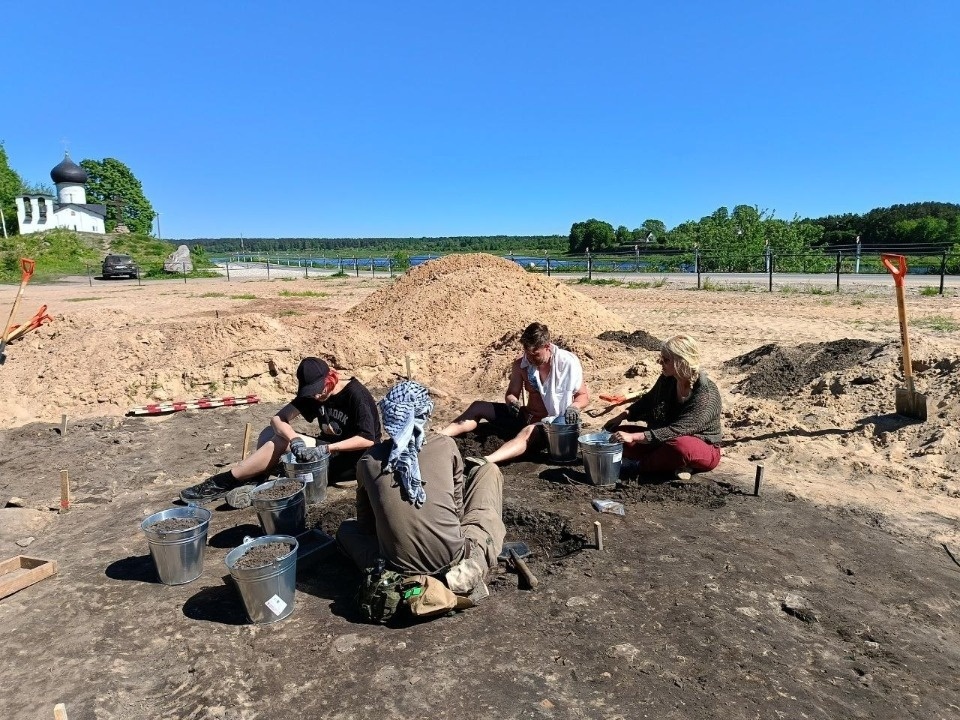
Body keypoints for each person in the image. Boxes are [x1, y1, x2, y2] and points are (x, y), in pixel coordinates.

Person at [337, 381, 506, 597]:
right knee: (487, 489)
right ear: (425, 412)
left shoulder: (368, 461)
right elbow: (458, 512)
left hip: (396, 569)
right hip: (451, 558)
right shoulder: (445, 445)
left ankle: (397, 584)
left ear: (388, 416)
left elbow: (366, 525)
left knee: (346, 531)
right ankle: (472, 566)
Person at [180, 357, 381, 504]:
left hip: (353, 460)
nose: (317, 395)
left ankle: (222, 482)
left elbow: (368, 439)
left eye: (319, 389)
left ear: (331, 378)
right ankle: (257, 478)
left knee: (278, 441)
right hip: (328, 452)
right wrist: (295, 439)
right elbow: (277, 419)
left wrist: (326, 449)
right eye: (312, 391)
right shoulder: (315, 395)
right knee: (271, 433)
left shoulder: (356, 395)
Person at [438, 322, 590, 466]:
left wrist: (574, 407)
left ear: (547, 347)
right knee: (478, 406)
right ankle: (439, 436)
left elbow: (583, 396)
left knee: (527, 432)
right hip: (526, 416)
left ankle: (486, 460)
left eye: (535, 354)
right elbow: (511, 393)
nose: (530, 358)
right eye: (527, 353)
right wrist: (512, 402)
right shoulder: (521, 365)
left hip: (551, 426)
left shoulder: (567, 364)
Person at [604, 334, 722, 478]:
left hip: (698, 444)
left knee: (680, 447)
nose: (661, 363)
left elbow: (677, 430)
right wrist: (623, 415)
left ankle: (638, 466)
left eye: (665, 360)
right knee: (615, 435)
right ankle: (672, 464)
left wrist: (634, 437)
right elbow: (648, 401)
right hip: (664, 438)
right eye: (661, 359)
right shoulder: (667, 379)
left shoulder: (706, 394)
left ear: (681, 362)